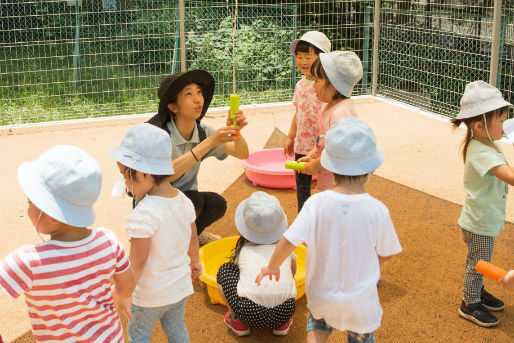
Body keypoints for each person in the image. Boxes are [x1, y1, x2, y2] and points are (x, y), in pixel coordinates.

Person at [256, 118, 402, 343]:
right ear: (370, 170)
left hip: (323, 295)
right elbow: (387, 252)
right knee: (361, 335)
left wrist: (272, 266)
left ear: (329, 167)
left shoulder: (316, 204)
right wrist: (373, 262)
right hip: (360, 301)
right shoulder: (378, 210)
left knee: (317, 328)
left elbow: (288, 239)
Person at [0, 145, 135, 343]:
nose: (27, 206)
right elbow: (128, 283)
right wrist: (119, 295)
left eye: (30, 201)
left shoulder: (29, 261)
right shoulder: (108, 241)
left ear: (52, 214)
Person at [110, 123, 201, 343]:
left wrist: (125, 291)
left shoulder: (144, 213)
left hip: (150, 296)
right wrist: (195, 262)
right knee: (177, 330)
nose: (125, 184)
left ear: (144, 174)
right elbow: (193, 237)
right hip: (178, 289)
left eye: (125, 176)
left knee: (139, 335)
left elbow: (138, 260)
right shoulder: (183, 200)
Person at [147, 70, 249, 245]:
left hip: (186, 198)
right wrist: (208, 143)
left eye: (199, 92)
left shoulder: (203, 131)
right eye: (188, 94)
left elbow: (242, 154)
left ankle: (190, 236)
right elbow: (165, 175)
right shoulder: (159, 135)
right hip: (153, 203)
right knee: (194, 202)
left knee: (216, 204)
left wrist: (236, 133)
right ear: (172, 107)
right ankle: (162, 241)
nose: (198, 99)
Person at [450, 80, 513, 327]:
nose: (504, 123)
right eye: (500, 119)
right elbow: (509, 175)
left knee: (481, 259)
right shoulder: (481, 151)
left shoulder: (490, 143)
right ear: (479, 125)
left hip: (483, 217)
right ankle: (469, 303)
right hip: (478, 221)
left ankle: (478, 292)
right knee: (477, 263)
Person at [216, 191, 296, 337]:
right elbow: (293, 270)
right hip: (285, 310)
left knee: (224, 270)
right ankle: (281, 326)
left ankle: (238, 322)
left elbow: (238, 271)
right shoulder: (286, 249)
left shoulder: (243, 250)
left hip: (250, 313)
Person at [296, 50, 363, 191]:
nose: (313, 86)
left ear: (334, 83)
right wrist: (312, 155)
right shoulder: (328, 106)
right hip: (332, 177)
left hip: (342, 182)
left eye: (316, 81)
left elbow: (340, 150)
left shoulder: (340, 113)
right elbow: (325, 140)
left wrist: (316, 165)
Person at [284, 31, 331, 212]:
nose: (302, 61)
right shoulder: (300, 84)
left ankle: (325, 217)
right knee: (302, 187)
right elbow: (298, 112)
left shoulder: (326, 86)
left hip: (322, 147)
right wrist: (290, 136)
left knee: (326, 185)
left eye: (308, 56)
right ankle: (303, 218)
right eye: (299, 56)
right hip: (302, 146)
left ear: (322, 58)